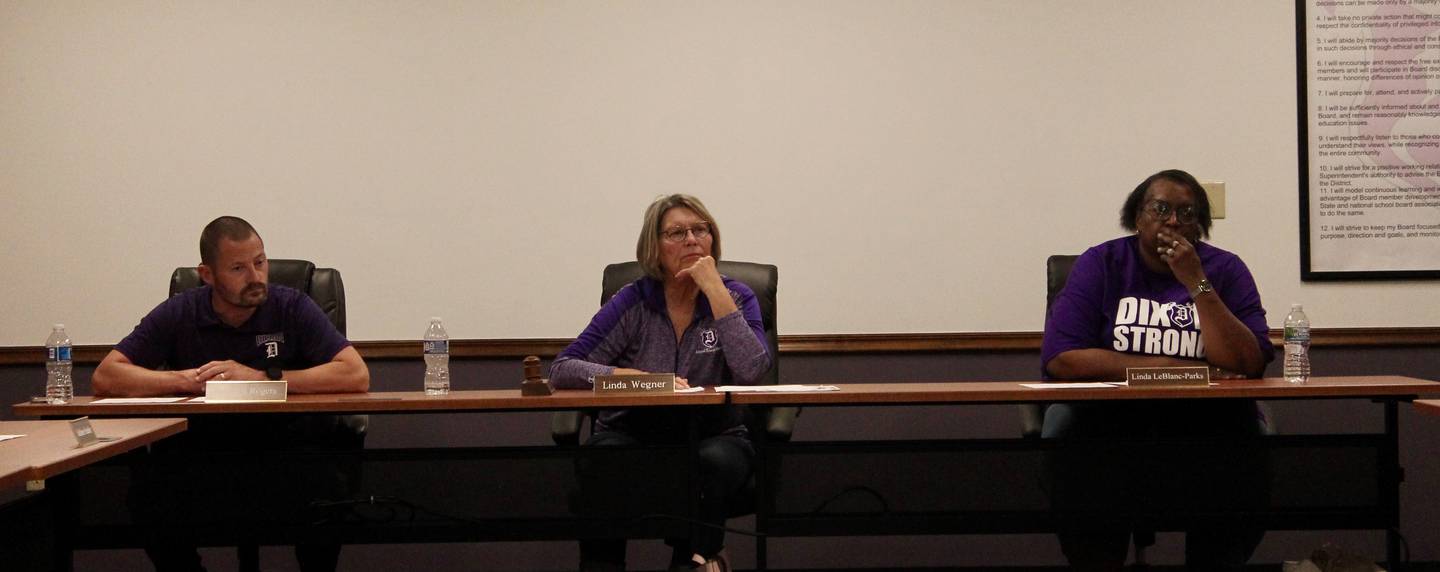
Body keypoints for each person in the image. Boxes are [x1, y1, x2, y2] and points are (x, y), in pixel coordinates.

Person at [93, 215, 370, 572]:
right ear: (207, 275)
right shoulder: (182, 311)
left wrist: (260, 378)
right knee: (148, 499)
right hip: (203, 457)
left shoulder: (292, 306)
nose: (256, 277)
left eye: (260, 262)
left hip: (287, 455)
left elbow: (355, 373)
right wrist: (186, 381)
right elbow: (106, 376)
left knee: (325, 494)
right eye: (238, 268)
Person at [1040, 169, 1274, 571]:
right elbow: (1063, 356)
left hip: (1203, 423)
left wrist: (1196, 280)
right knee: (1063, 424)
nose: (1172, 221)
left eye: (1187, 213)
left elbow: (1249, 363)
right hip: (1109, 423)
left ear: (1199, 226)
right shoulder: (1102, 263)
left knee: (1248, 429)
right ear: (1137, 218)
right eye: (1161, 209)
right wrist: (1170, 367)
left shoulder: (1225, 270)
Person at [551, 194, 771, 572]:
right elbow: (563, 369)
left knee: (708, 464)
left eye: (700, 230)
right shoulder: (633, 302)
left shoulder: (736, 296)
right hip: (633, 432)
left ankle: (695, 562)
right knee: (601, 464)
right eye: (676, 232)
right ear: (654, 247)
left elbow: (752, 370)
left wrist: (715, 289)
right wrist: (623, 378)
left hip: (714, 435)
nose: (691, 240)